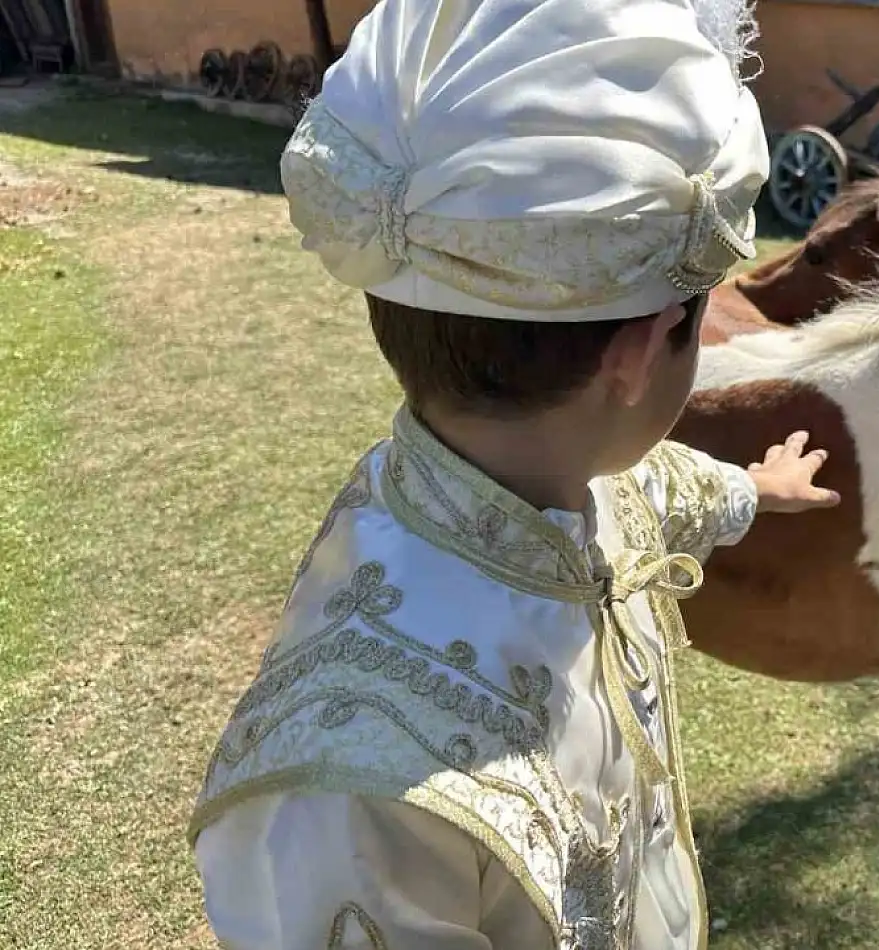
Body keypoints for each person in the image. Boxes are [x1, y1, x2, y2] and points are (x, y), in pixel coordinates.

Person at [186, 0, 840, 947]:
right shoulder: (348, 791)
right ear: (647, 346)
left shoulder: (550, 484)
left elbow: (655, 492)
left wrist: (756, 490)